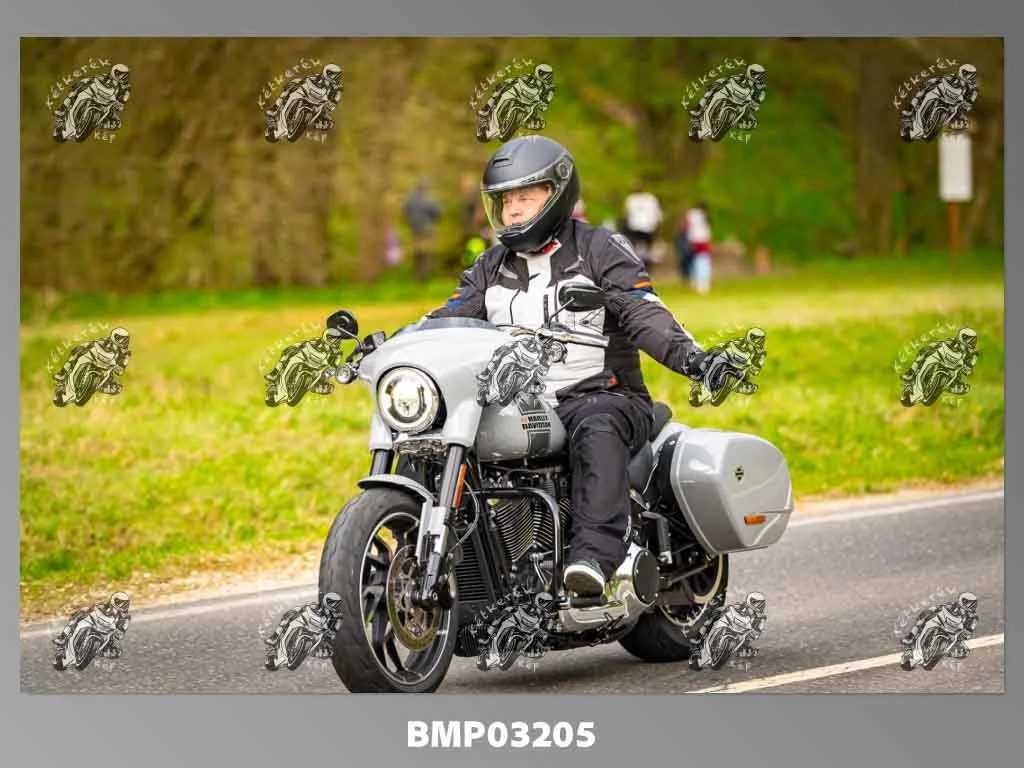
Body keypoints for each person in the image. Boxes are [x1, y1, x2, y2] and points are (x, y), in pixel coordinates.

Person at [420, 135, 746, 597]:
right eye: (505, 201)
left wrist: (695, 359)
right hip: (519, 405)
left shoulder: (600, 249)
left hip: (603, 393)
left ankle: (593, 558)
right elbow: (449, 318)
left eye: (525, 198)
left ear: (556, 195)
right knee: (431, 440)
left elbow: (644, 314)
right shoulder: (490, 266)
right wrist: (396, 347)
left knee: (596, 423)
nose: (512, 211)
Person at [402, 178, 442, 282]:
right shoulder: (430, 199)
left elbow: (405, 211)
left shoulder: (410, 199)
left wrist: (411, 221)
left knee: (417, 253)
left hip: (415, 230)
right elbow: (438, 213)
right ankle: (423, 276)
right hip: (427, 229)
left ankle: (416, 275)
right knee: (426, 253)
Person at [623, 184, 663, 267]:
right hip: (649, 227)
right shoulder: (650, 198)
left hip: (635, 226)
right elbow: (657, 214)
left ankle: (638, 263)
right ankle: (647, 264)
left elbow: (626, 213)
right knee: (648, 247)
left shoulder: (631, 199)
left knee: (637, 246)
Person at [684, 201, 713, 294]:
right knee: (703, 261)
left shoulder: (691, 213)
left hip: (693, 239)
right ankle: (703, 283)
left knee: (694, 261)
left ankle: (694, 282)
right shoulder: (704, 214)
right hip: (703, 239)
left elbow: (686, 225)